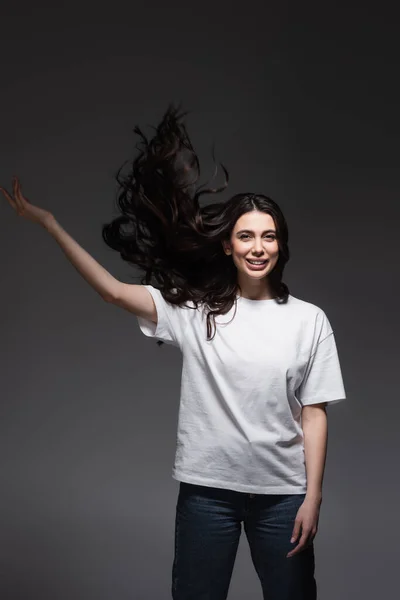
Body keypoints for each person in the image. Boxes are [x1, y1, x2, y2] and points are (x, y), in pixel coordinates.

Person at [1, 105, 346, 600]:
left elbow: (314, 414)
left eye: (268, 236)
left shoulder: (308, 319)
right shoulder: (196, 310)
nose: (257, 246)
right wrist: (50, 223)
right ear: (227, 246)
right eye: (245, 235)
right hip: (207, 494)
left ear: (280, 245)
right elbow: (114, 292)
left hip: (283, 499)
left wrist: (312, 497)